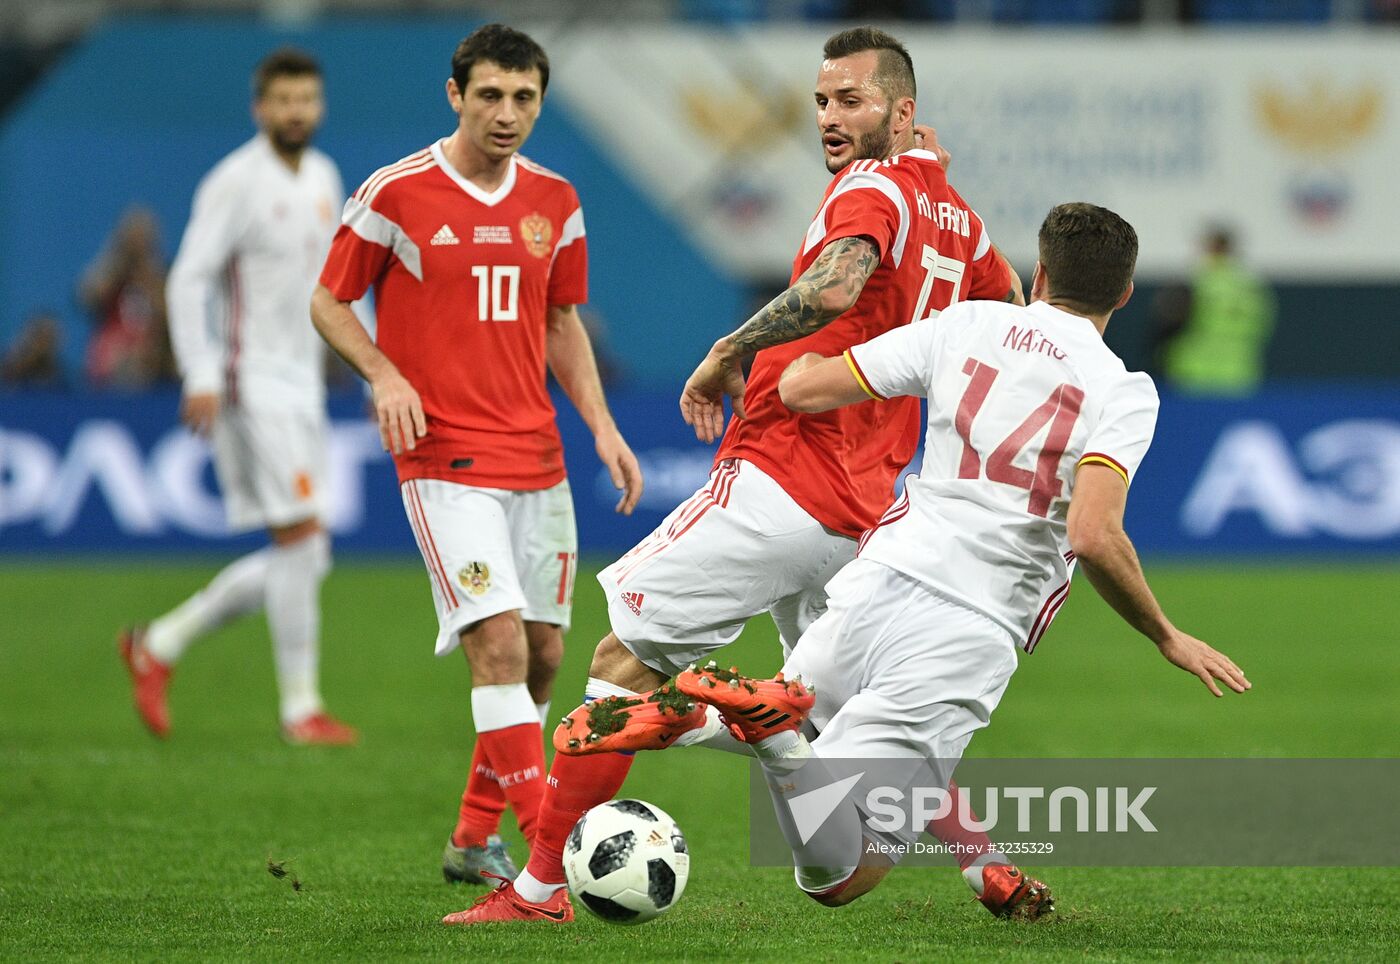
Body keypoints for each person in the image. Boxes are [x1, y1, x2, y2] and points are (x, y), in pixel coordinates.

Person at [447, 26, 1033, 926]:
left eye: (854, 101)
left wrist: (729, 347)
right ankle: (983, 863)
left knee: (622, 665)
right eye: (823, 100)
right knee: (836, 715)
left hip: (786, 474)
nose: (832, 118)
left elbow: (838, 285)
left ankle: (537, 892)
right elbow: (1014, 322)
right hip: (870, 508)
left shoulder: (872, 188)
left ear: (902, 112)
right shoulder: (962, 219)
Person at [670, 202, 1251, 907]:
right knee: (845, 873)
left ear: (1040, 272)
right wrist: (1165, 634)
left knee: (812, 717)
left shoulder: (965, 324)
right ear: (1124, 294)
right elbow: (1093, 535)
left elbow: (802, 388)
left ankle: (681, 716)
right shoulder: (1123, 390)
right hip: (972, 622)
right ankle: (773, 743)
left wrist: (808, 328)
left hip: (881, 574)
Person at [309, 25, 643, 888]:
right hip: (442, 457)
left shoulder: (556, 201)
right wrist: (382, 372)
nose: (507, 113)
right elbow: (329, 299)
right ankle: (548, 855)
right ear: (455, 94)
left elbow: (561, 322)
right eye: (490, 95)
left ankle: (470, 838)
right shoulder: (398, 193)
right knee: (494, 645)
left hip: (536, 455)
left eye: (524, 98)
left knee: (538, 657)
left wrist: (601, 427)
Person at [119, 49, 356, 746]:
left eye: (306, 99)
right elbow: (189, 278)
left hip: (301, 381)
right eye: (283, 100)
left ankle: (159, 643)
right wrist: (198, 373)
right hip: (248, 381)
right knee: (302, 539)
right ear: (260, 108)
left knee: (307, 555)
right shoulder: (235, 182)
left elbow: (334, 280)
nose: (296, 112)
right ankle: (300, 710)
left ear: (320, 106)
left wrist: (370, 365)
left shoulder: (322, 175)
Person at [1163, 226, 1276, 396]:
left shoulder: (1196, 282)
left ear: (1210, 249)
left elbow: (1171, 324)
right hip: (1239, 372)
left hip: (1194, 370)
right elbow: (1264, 328)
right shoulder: (1252, 287)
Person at [78, 206, 173, 388]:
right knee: (120, 358)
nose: (138, 244)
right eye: (133, 237)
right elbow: (87, 298)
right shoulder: (109, 272)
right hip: (112, 356)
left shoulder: (161, 276)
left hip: (152, 358)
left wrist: (148, 277)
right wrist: (117, 266)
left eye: (143, 237)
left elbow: (169, 315)